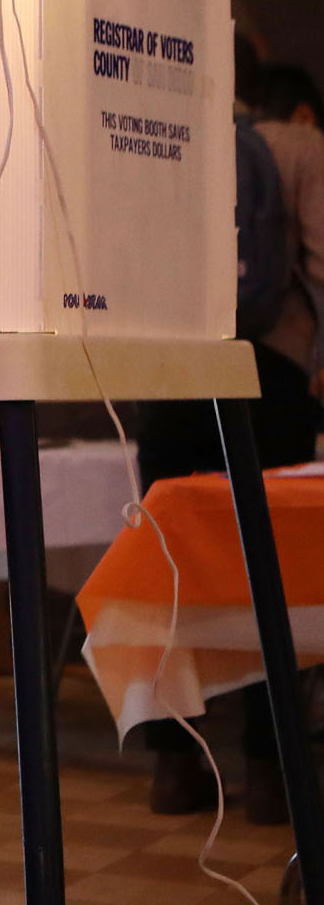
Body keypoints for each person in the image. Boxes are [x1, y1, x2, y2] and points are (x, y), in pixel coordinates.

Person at [137, 43, 324, 822]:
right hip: (266, 378)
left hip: (167, 376)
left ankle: (173, 767)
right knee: (265, 573)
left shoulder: (146, 136)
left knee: (170, 566)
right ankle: (270, 773)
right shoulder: (299, 147)